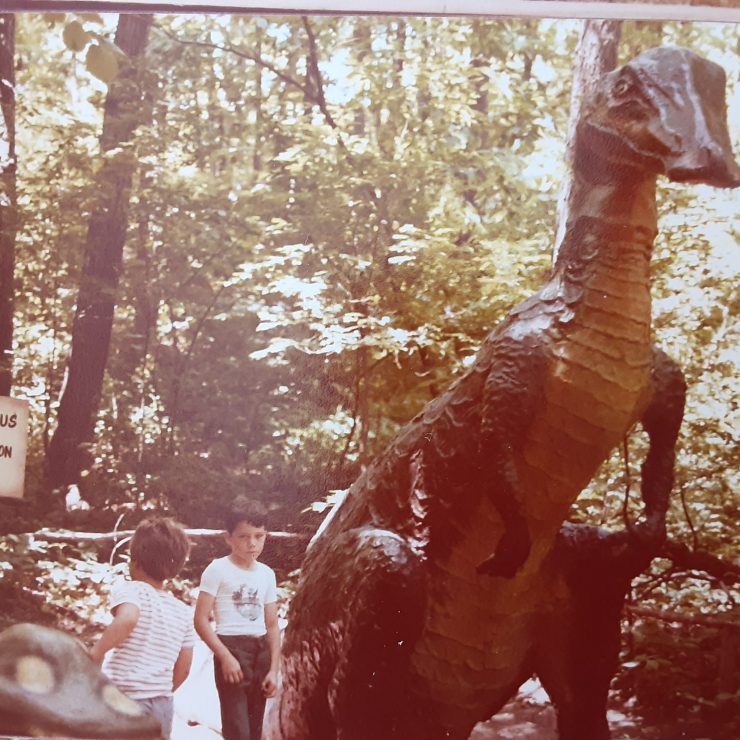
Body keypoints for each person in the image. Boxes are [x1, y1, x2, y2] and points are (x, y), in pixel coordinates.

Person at [90, 517, 194, 739]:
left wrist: (97, 652)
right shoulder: (183, 611)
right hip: (162, 705)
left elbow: (128, 618)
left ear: (135, 563)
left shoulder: (132, 590)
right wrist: (160, 691)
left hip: (125, 699)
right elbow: (184, 668)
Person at [195, 497, 280, 740]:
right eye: (243, 536)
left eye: (259, 536)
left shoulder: (266, 574)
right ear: (228, 538)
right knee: (238, 730)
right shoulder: (217, 569)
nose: (252, 543)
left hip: (261, 653)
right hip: (232, 650)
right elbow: (200, 620)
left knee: (254, 731)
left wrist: (274, 669)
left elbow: (272, 624)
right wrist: (225, 657)